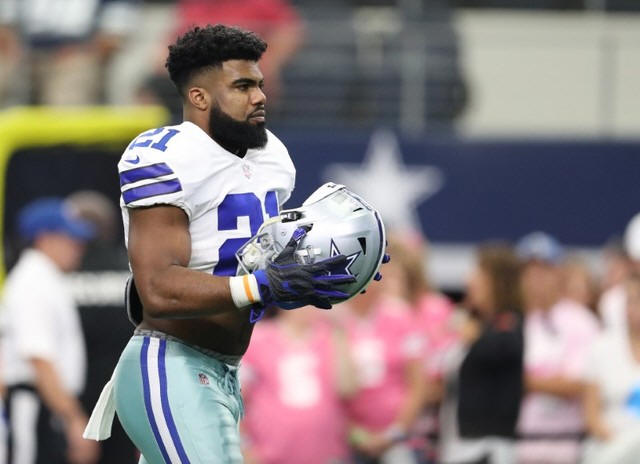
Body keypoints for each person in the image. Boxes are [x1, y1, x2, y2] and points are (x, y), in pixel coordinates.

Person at [83, 24, 359, 463]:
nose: (260, 96)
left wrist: (314, 269)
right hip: (171, 363)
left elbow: (257, 264)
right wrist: (262, 286)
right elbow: (158, 288)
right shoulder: (165, 154)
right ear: (199, 97)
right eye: (242, 86)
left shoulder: (272, 156)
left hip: (225, 372)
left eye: (259, 84)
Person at [0, 197, 99, 464]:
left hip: (45, 406)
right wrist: (73, 419)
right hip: (33, 407)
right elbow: (38, 358)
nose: (79, 246)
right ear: (44, 239)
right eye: (70, 238)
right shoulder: (33, 282)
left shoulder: (44, 278)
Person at [515, 232, 599, 464]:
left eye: (544, 269)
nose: (536, 278)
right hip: (517, 447)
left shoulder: (581, 320)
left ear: (559, 273)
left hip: (567, 445)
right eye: (529, 270)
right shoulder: (510, 321)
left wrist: (523, 382)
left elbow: (580, 383)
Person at [438, 244, 523, 464]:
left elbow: (499, 350)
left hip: (487, 447)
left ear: (497, 281)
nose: (469, 280)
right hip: (457, 443)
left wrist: (475, 334)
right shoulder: (473, 323)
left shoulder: (510, 324)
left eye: (478, 273)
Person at [341, 250, 426, 464]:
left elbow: (418, 384)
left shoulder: (400, 315)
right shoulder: (335, 320)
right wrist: (354, 434)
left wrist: (395, 432)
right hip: (347, 439)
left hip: (399, 439)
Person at [241, 308, 356, 464]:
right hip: (271, 456)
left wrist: (340, 333)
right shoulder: (258, 337)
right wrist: (244, 447)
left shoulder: (331, 335)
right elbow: (236, 398)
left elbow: (348, 390)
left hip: (326, 454)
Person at [0, 0, 140, 106]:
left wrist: (84, 51)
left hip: (78, 54)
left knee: (68, 99)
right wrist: (11, 43)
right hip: (20, 49)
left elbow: (113, 34)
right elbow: (5, 21)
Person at [582, 273, 640, 464]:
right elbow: (591, 415)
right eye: (632, 301)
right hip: (608, 450)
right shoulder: (602, 348)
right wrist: (621, 446)